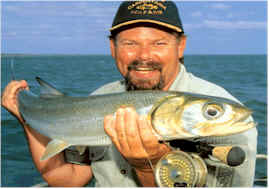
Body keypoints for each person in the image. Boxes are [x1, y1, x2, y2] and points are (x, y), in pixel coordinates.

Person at [1, 0, 257, 187]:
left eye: (159, 43)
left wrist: (148, 164)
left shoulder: (230, 125)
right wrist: (26, 117)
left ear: (181, 46)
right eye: (130, 43)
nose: (144, 55)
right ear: (112, 48)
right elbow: (66, 179)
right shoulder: (101, 95)